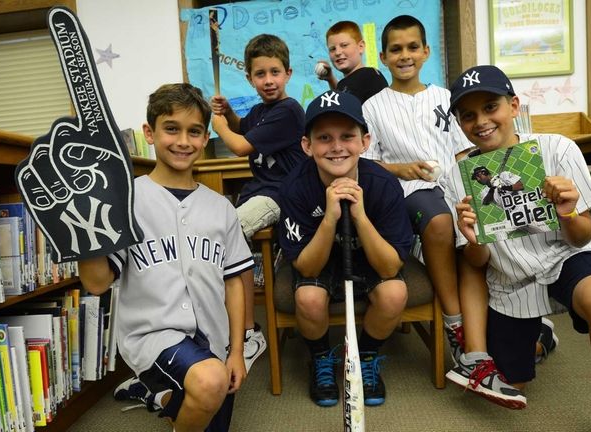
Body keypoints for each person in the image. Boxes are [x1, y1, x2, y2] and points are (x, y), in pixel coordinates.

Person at [445, 64, 591, 431]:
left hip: (566, 256)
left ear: (513, 105)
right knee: (512, 382)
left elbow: (583, 236)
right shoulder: (456, 176)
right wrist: (473, 241)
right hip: (509, 281)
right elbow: (475, 261)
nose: (481, 121)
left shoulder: (557, 148)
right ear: (460, 123)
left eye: (490, 107)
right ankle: (541, 340)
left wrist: (570, 213)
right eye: (468, 115)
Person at [83, 83, 253, 432]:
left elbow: (234, 282)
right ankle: (159, 388)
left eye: (194, 132)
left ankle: (155, 396)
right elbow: (96, 281)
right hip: (152, 334)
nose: (183, 141)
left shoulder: (221, 208)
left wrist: (237, 350)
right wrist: (83, 231)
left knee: (210, 403)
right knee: (209, 383)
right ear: (150, 132)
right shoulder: (126, 202)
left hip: (213, 338)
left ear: (206, 139)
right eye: (171, 129)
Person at [278, 90, 413, 408]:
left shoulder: (383, 184)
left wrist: (361, 216)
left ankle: (366, 357)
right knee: (308, 297)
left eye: (347, 136)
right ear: (307, 146)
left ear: (365, 141)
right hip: (319, 259)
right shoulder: (295, 188)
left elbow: (390, 268)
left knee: (394, 293)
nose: (337, 147)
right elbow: (307, 268)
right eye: (324, 138)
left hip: (369, 259)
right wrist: (330, 218)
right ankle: (321, 359)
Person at [360, 14, 474, 366]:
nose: (404, 55)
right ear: (383, 57)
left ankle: (513, 321)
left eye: (412, 47)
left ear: (426, 51)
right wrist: (400, 168)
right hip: (407, 190)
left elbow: (462, 151)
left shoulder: (445, 97)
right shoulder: (373, 106)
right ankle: (456, 325)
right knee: (439, 222)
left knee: (482, 230)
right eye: (395, 49)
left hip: (452, 185)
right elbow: (364, 163)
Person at [210, 33, 307, 372]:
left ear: (288, 74)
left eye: (275, 72)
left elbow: (239, 146)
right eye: (260, 74)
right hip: (258, 190)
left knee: (229, 234)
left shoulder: (290, 111)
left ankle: (249, 332)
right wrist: (229, 116)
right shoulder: (259, 112)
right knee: (220, 232)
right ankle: (235, 325)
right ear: (249, 77)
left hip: (281, 195)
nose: (268, 80)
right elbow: (244, 129)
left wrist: (218, 125)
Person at [316, 20, 388, 103]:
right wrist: (330, 78)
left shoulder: (370, 76)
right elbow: (341, 101)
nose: (338, 52)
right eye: (332, 49)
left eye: (344, 45)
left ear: (360, 46)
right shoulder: (343, 83)